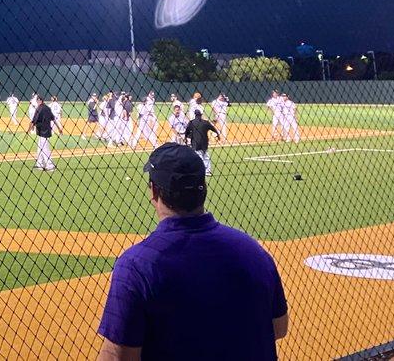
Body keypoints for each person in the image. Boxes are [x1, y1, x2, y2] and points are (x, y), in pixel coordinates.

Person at [95, 144, 288, 360]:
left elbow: (118, 356)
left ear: (154, 191)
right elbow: (279, 328)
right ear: (203, 189)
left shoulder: (137, 265)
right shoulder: (253, 251)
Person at [184, 108, 220, 177]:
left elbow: (187, 131)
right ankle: (207, 171)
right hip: (204, 143)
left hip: (195, 143)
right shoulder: (205, 122)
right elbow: (213, 128)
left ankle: (200, 171)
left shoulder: (192, 122)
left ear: (195, 115)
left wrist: (186, 139)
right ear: (201, 115)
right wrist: (218, 135)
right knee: (206, 157)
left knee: (198, 158)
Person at [28, 93, 56, 171]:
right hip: (46, 131)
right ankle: (39, 163)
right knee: (40, 148)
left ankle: (50, 166)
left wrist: (28, 131)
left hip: (43, 132)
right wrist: (59, 128)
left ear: (39, 100)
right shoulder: (47, 108)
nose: (36, 101)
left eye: (37, 100)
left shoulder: (39, 109)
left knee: (45, 148)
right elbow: (53, 118)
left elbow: (33, 121)